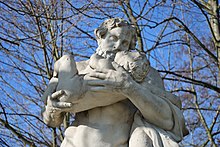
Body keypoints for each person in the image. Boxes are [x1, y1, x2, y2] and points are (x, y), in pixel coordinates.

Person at [42, 18, 188, 147]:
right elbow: (50, 121)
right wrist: (52, 109)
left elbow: (168, 120)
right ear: (100, 36)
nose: (118, 45)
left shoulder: (143, 74)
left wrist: (129, 87)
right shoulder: (77, 69)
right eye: (113, 38)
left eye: (124, 42)